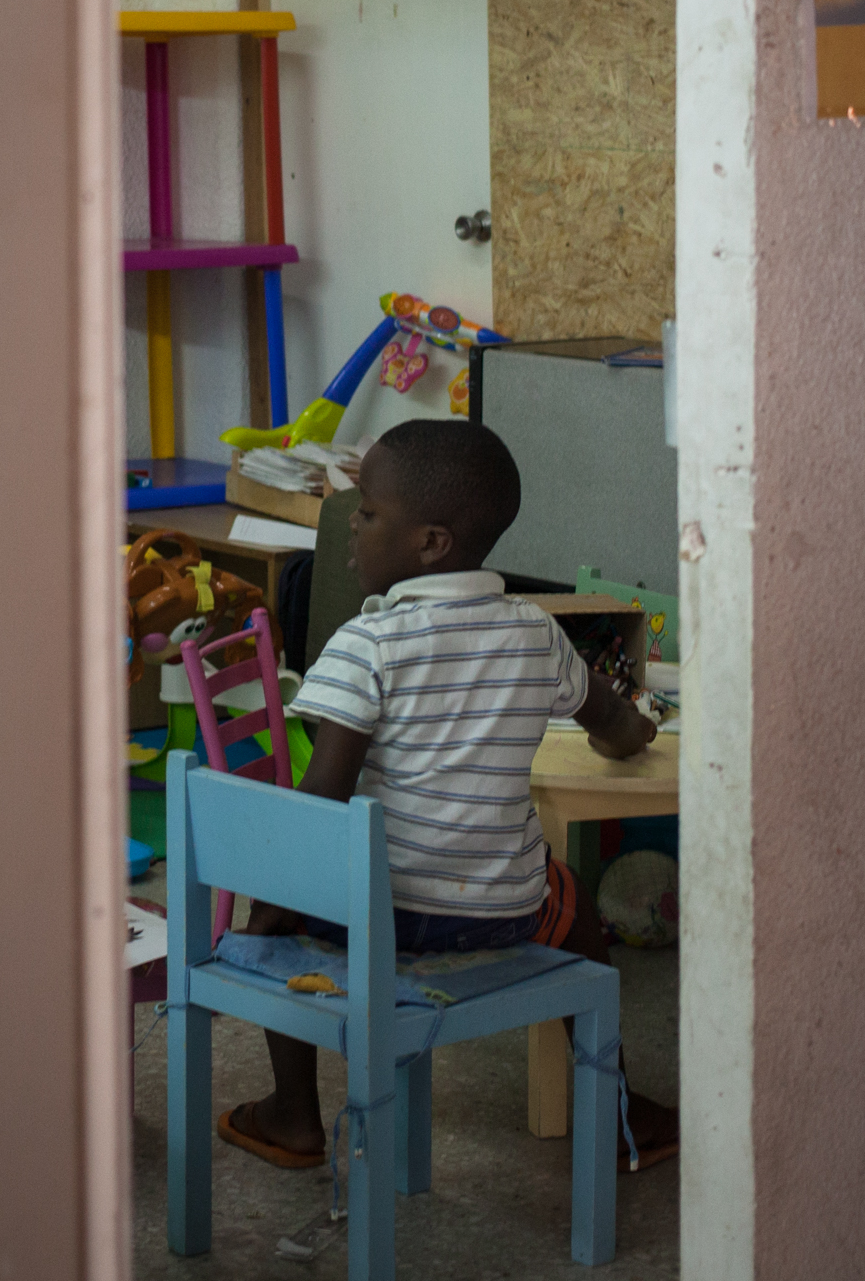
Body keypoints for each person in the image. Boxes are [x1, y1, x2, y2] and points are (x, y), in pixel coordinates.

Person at [216, 419, 679, 1171]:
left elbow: (320, 809)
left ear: (431, 543)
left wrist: (266, 910)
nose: (350, 533)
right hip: (505, 915)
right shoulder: (535, 633)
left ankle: (293, 1111)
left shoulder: (366, 646)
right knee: (574, 902)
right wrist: (628, 738)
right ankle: (621, 1098)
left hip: (378, 924)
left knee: (280, 894)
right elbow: (620, 725)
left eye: (365, 514)